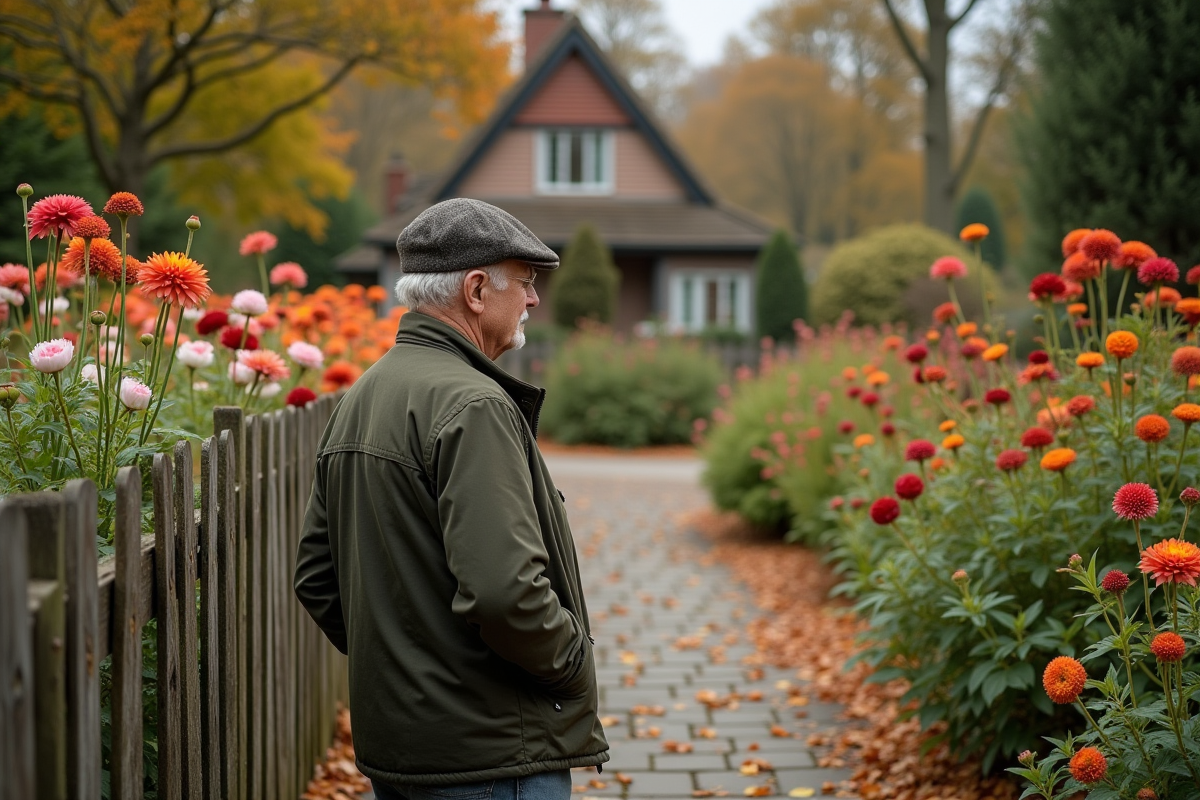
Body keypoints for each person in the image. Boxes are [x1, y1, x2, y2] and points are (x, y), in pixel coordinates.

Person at [294, 198, 608, 799]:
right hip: (494, 760)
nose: (535, 299)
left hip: (404, 754)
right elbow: (505, 594)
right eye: (526, 281)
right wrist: (572, 664)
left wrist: (412, 673)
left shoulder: (363, 395)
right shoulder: (476, 405)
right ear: (475, 289)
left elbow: (316, 577)